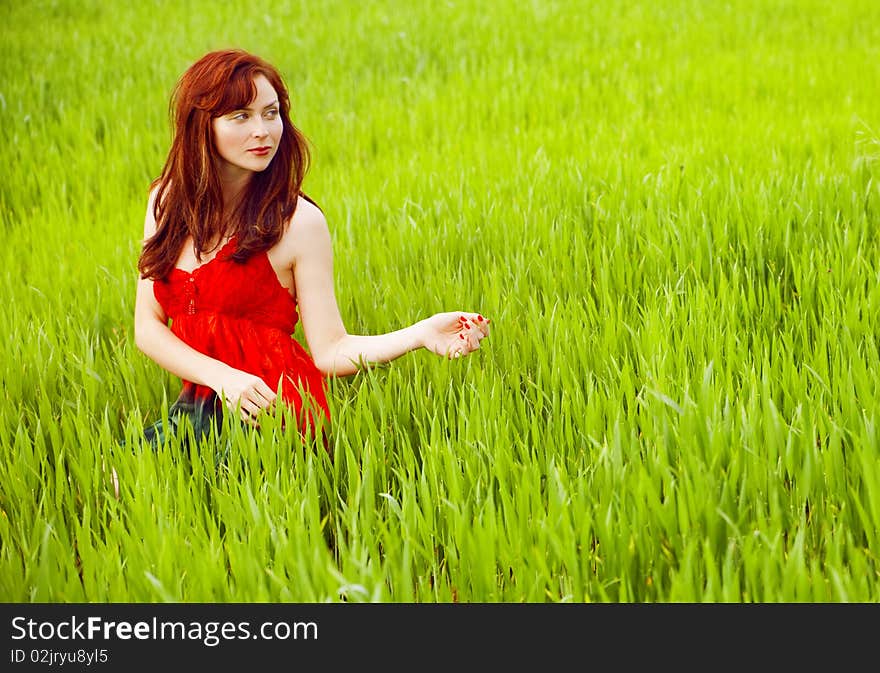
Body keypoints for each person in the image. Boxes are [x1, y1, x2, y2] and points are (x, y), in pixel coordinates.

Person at [134, 49, 490, 446]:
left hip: (274, 412)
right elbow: (147, 326)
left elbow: (330, 349)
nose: (263, 131)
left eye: (271, 113)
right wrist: (221, 377)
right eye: (241, 116)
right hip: (205, 397)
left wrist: (420, 334)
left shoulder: (297, 223)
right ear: (201, 125)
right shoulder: (166, 202)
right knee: (123, 482)